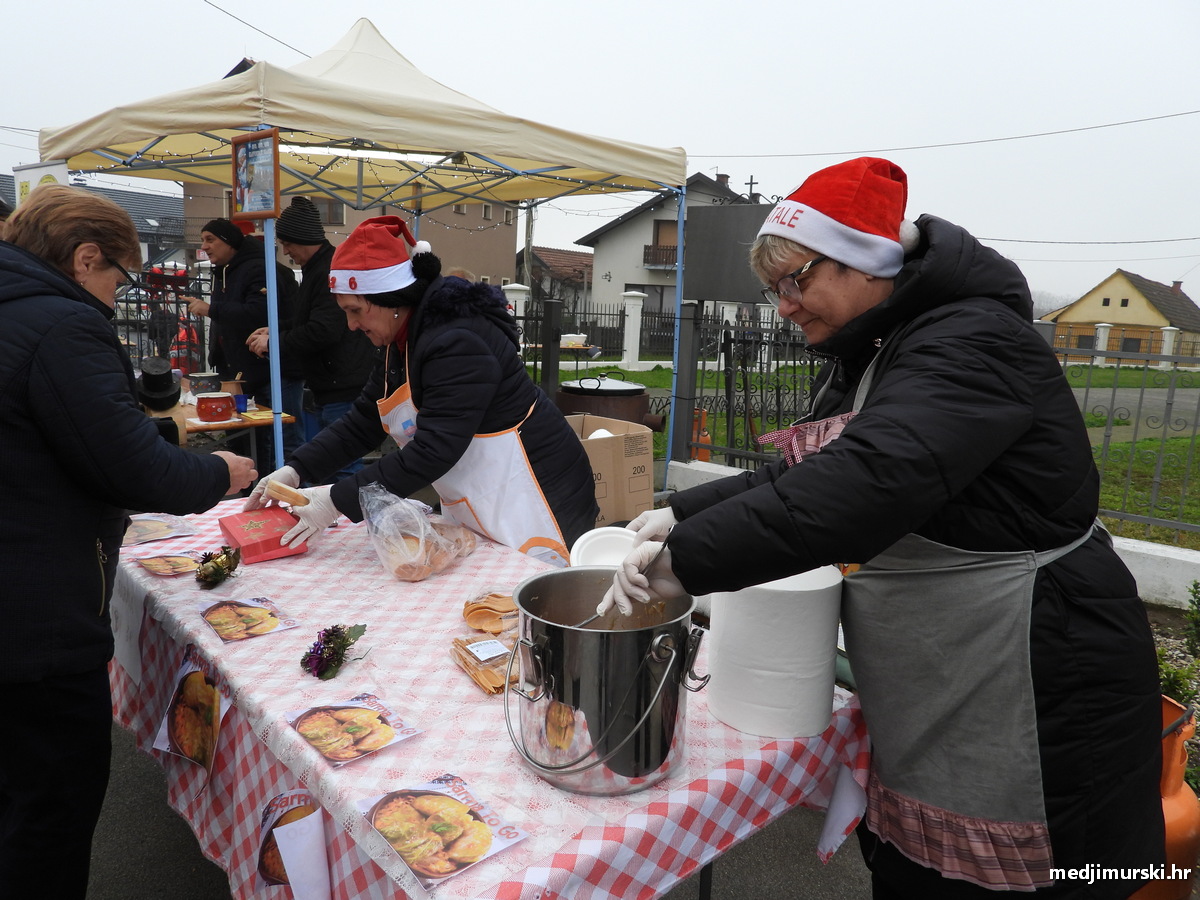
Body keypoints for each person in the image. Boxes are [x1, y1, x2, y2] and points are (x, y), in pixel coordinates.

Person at [601, 158, 1164, 897]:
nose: (785, 306)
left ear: (864, 260)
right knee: (920, 872)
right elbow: (809, 474)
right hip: (953, 661)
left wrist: (680, 563)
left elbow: (865, 482)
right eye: (774, 291)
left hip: (1040, 667)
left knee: (1042, 876)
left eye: (795, 281)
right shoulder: (884, 345)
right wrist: (681, 511)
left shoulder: (973, 341)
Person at [0, 184, 257, 898]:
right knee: (52, 807)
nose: (118, 294)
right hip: (35, 618)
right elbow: (131, 469)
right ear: (86, 258)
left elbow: (63, 434)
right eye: (118, 276)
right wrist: (219, 470)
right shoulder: (62, 324)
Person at [244, 216, 598, 566]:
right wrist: (297, 468)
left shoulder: (458, 340)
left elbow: (433, 450)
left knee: (527, 598)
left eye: (355, 311)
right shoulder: (400, 340)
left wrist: (336, 500)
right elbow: (364, 421)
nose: (351, 326)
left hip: (536, 489)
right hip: (483, 489)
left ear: (392, 299)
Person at [246, 197, 375, 481]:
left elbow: (324, 329)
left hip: (342, 383)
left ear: (301, 239)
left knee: (343, 466)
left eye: (287, 243)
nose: (286, 250)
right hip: (334, 382)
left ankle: (350, 521)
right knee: (337, 463)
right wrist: (276, 330)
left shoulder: (329, 270)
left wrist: (275, 342)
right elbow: (313, 320)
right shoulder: (320, 268)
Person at [183, 217, 301, 461]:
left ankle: (287, 489)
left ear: (229, 242)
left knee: (280, 438)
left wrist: (210, 310)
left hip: (272, 370)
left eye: (210, 240)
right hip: (244, 372)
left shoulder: (258, 268)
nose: (204, 246)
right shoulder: (225, 271)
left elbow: (259, 313)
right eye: (203, 240)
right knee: (252, 439)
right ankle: (255, 487)